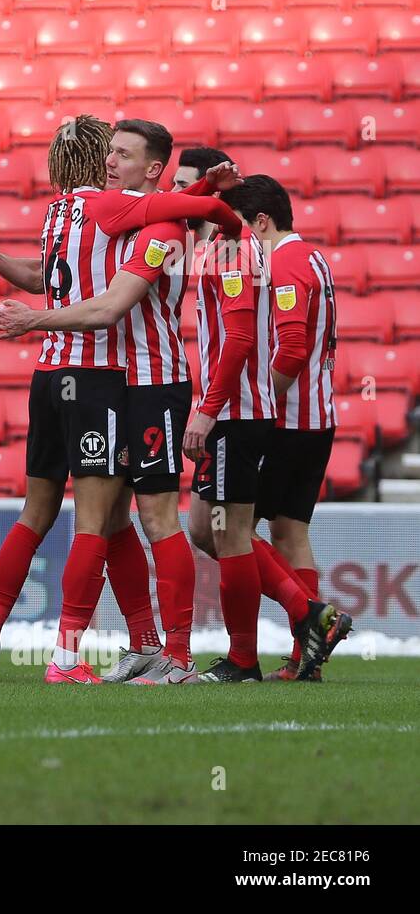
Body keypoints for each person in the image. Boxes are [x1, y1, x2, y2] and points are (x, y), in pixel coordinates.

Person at [0, 115, 242, 683]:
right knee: (112, 520)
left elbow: (110, 302)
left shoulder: (146, 226)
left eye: (124, 154)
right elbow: (72, 270)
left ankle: (176, 655)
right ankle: (138, 644)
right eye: (108, 152)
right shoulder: (111, 216)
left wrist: (216, 207)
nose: (111, 161)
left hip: (150, 382)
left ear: (154, 170)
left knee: (153, 518)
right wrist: (210, 200)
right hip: (106, 383)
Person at [198, 177, 352, 681]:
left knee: (219, 530)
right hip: (317, 417)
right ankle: (304, 651)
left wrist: (266, 396)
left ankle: (290, 631)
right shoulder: (315, 258)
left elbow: (291, 347)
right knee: (288, 533)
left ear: (260, 221)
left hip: (284, 418)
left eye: (237, 225)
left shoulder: (281, 262)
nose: (232, 238)